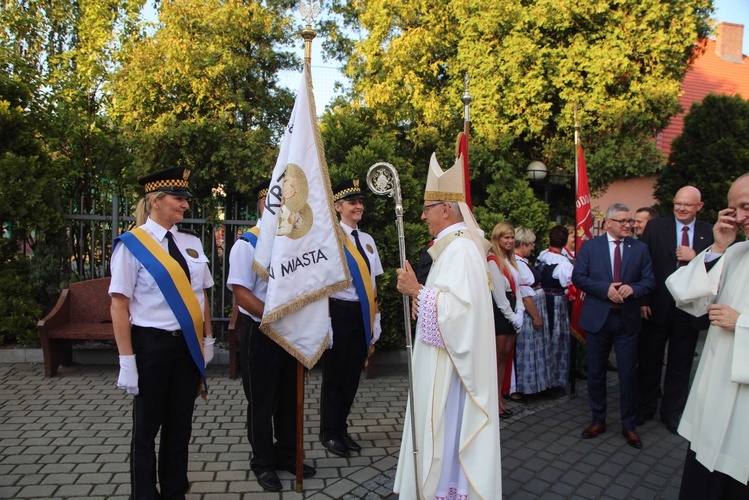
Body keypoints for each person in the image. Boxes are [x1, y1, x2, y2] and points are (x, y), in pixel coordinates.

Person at [393, 153, 501, 499]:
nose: (423, 215)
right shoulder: (452, 249)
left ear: (446, 209)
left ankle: (445, 489)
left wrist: (418, 292)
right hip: (445, 361)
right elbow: (448, 306)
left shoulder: (461, 251)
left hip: (454, 374)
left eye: (428, 207)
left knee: (447, 430)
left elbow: (461, 316)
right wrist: (422, 301)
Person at [109, 167, 215, 499]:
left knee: (179, 425)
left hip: (186, 346)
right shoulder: (132, 245)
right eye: (178, 198)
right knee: (146, 428)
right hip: (151, 345)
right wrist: (127, 359)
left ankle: (174, 490)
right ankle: (143, 494)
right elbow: (119, 305)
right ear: (156, 201)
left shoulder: (191, 242)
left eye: (185, 199)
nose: (185, 205)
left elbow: (201, 295)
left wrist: (208, 337)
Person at [227, 179, 315, 492]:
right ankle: (263, 462)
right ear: (261, 205)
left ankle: (288, 455)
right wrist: (274, 316)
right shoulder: (247, 244)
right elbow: (241, 294)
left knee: (291, 399)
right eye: (270, 202)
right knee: (261, 403)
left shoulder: (294, 243)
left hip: (291, 332)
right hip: (262, 332)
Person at [666, 174, 749, 499]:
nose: (739, 218)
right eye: (733, 210)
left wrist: (741, 324)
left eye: (746, 207)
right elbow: (687, 296)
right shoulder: (737, 252)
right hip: (715, 397)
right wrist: (717, 247)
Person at [572, 203, 654, 449]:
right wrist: (605, 289)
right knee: (596, 373)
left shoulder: (639, 249)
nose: (628, 225)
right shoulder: (590, 247)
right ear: (608, 223)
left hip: (627, 320)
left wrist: (634, 289)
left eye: (630, 221)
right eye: (622, 221)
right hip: (599, 319)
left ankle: (629, 425)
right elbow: (579, 277)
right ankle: (598, 420)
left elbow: (650, 279)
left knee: (628, 374)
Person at [637, 186, 713, 434]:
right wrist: (643, 300)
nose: (681, 208)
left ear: (698, 207)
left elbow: (718, 269)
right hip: (657, 306)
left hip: (689, 310)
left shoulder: (708, 232)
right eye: (678, 203)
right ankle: (646, 407)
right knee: (650, 360)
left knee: (680, 364)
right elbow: (644, 264)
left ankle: (672, 414)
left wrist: (698, 256)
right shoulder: (656, 227)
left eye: (687, 205)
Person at [320, 179, 383, 458]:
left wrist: (376, 317)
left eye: (360, 202)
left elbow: (373, 282)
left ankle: (342, 428)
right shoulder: (328, 239)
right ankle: (328, 432)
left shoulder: (367, 240)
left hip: (362, 313)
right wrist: (326, 322)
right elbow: (320, 284)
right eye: (351, 202)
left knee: (352, 377)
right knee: (334, 377)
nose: (358, 206)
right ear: (337, 207)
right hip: (338, 313)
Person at [487, 222, 525, 418]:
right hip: (500, 311)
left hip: (512, 308)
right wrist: (512, 316)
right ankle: (494, 402)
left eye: (512, 237)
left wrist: (520, 309)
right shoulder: (492, 261)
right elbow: (499, 296)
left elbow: (518, 289)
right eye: (506, 237)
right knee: (497, 358)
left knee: (504, 358)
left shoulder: (511, 260)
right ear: (497, 239)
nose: (510, 241)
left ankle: (500, 398)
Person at [513, 227, 551, 395]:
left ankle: (533, 385)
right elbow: (525, 295)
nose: (532, 248)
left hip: (533, 309)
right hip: (529, 314)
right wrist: (536, 316)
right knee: (528, 348)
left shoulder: (520, 262)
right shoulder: (518, 264)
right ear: (522, 244)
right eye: (530, 245)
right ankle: (526, 386)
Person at [536, 225, 575, 387]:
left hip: (541, 299)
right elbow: (570, 286)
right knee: (556, 338)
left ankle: (545, 377)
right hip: (556, 302)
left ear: (549, 239)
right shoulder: (565, 264)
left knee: (545, 336)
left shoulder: (542, 256)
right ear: (565, 242)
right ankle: (555, 378)